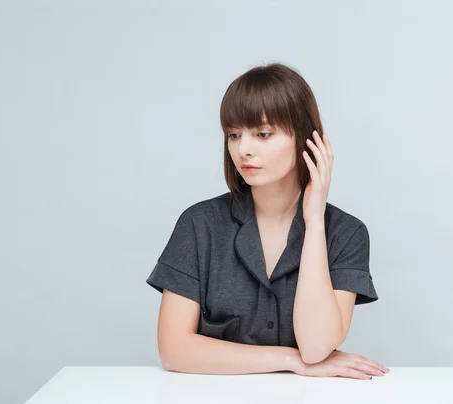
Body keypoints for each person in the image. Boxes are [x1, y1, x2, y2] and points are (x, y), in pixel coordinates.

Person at [146, 63, 389, 380]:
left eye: (262, 134)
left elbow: (316, 347)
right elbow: (174, 350)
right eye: (234, 134)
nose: (243, 149)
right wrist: (291, 360)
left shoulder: (346, 234)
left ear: (305, 139)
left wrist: (314, 221)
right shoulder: (198, 224)